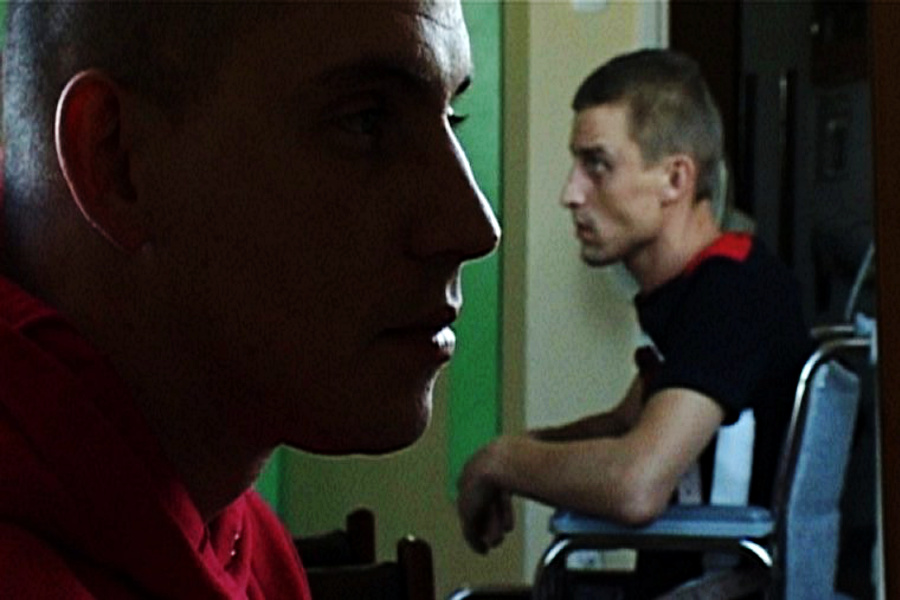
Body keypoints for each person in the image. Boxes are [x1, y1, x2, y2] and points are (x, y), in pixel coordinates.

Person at [0, 1, 500, 598]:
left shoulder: (235, 529)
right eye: (365, 122)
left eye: (452, 116)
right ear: (118, 161)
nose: (473, 228)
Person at [456, 49, 812, 597]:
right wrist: (511, 452)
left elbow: (635, 484)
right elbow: (628, 422)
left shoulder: (734, 291)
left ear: (675, 178)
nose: (571, 193)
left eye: (597, 165)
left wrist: (500, 461)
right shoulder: (699, 289)